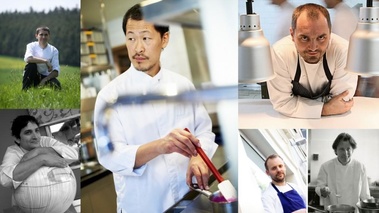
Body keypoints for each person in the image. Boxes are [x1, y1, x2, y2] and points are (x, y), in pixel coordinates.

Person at [93, 4, 218, 213]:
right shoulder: (110, 96)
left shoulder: (183, 85)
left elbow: (204, 130)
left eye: (146, 37)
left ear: (164, 39)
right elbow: (109, 155)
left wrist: (199, 156)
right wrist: (161, 146)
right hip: (143, 205)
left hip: (189, 197)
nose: (137, 48)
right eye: (131, 38)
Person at [267, 3, 358, 118]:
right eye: (305, 38)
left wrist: (299, 105)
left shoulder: (343, 51)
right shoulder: (279, 53)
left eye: (321, 37)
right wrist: (325, 109)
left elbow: (342, 102)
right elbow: (282, 103)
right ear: (292, 34)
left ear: (330, 34)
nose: (313, 47)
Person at [0, 115, 78, 210]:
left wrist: (38, 151)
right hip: (30, 207)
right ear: (17, 138)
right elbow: (5, 179)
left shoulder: (45, 141)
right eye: (28, 132)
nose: (35, 136)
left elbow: (73, 154)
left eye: (37, 130)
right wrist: (41, 159)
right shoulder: (13, 151)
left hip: (62, 204)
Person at [315, 133, 371, 209]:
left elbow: (365, 195)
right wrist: (322, 191)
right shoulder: (326, 166)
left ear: (353, 150)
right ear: (335, 151)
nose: (345, 153)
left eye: (348, 149)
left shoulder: (360, 167)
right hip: (333, 209)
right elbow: (319, 187)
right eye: (341, 149)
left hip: (353, 210)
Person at [22, 26, 61, 90]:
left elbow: (56, 71)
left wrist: (44, 80)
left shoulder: (54, 50)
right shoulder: (31, 46)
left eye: (46, 35)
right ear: (36, 36)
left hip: (46, 76)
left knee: (57, 85)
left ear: (49, 36)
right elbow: (28, 59)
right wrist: (45, 61)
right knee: (31, 65)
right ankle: (25, 90)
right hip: (32, 75)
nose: (43, 37)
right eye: (41, 34)